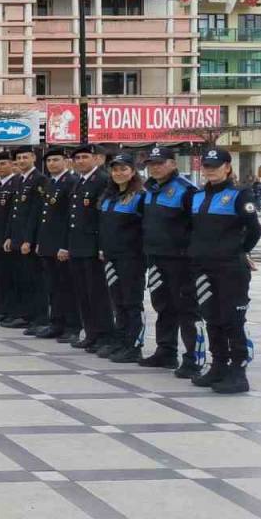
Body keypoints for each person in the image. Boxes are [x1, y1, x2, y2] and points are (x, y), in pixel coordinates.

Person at [187, 147, 261, 394]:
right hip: (203, 267)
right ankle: (218, 365)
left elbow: (254, 230)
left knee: (233, 320)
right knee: (212, 318)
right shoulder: (198, 196)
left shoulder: (240, 194)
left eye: (216, 166)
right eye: (206, 167)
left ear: (227, 167)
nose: (210, 171)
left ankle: (238, 372)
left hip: (230, 268)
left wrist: (240, 251)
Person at [140, 146, 202, 376]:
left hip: (181, 261)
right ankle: (166, 351)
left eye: (160, 163)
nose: (155, 167)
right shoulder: (150, 189)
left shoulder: (186, 190)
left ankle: (193, 358)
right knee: (163, 306)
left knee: (187, 309)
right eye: (151, 164)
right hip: (156, 258)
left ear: (173, 164)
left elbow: (198, 226)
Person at [97, 153, 146, 364]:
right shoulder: (109, 196)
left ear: (133, 172)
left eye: (123, 169)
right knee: (118, 301)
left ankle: (134, 345)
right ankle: (121, 341)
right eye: (115, 169)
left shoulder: (140, 196)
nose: (118, 173)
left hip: (132, 258)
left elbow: (145, 229)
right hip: (111, 257)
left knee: (132, 302)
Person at [68, 145, 113, 349]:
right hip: (77, 245)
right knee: (83, 293)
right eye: (77, 158)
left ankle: (104, 335)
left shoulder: (102, 180)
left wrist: (102, 246)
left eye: (85, 157)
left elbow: (102, 217)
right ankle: (91, 333)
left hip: (93, 246)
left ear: (98, 159)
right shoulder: (79, 181)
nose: (80, 161)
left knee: (98, 294)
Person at [34, 148, 78, 340]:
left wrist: (65, 245)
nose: (52, 163)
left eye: (56, 160)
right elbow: (45, 216)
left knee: (66, 288)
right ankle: (56, 322)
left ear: (66, 161)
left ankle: (72, 326)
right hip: (48, 244)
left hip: (61, 245)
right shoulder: (51, 182)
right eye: (49, 160)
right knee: (53, 287)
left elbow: (70, 218)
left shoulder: (71, 182)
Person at [4, 145, 46, 332]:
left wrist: (28, 240)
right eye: (19, 158)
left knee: (34, 281)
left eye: (25, 157)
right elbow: (15, 212)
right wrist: (9, 236)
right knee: (21, 279)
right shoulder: (20, 179)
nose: (21, 161)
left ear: (33, 158)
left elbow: (35, 213)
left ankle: (39, 318)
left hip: (28, 240)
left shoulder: (39, 179)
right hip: (17, 238)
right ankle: (25, 314)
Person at [0, 151, 21, 324]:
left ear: (12, 165)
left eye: (3, 164)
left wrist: (10, 236)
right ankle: (2, 308)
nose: (0, 168)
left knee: (11, 277)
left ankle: (13, 311)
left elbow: (14, 216)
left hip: (8, 239)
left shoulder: (16, 183)